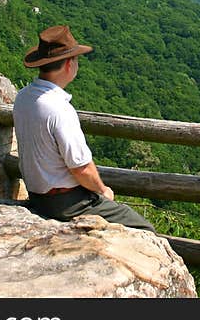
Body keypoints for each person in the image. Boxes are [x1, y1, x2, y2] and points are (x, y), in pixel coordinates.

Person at [13, 24, 156, 233]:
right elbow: (81, 168)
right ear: (69, 64)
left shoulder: (23, 97)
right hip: (67, 203)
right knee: (144, 229)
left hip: (37, 198)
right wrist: (103, 190)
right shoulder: (59, 109)